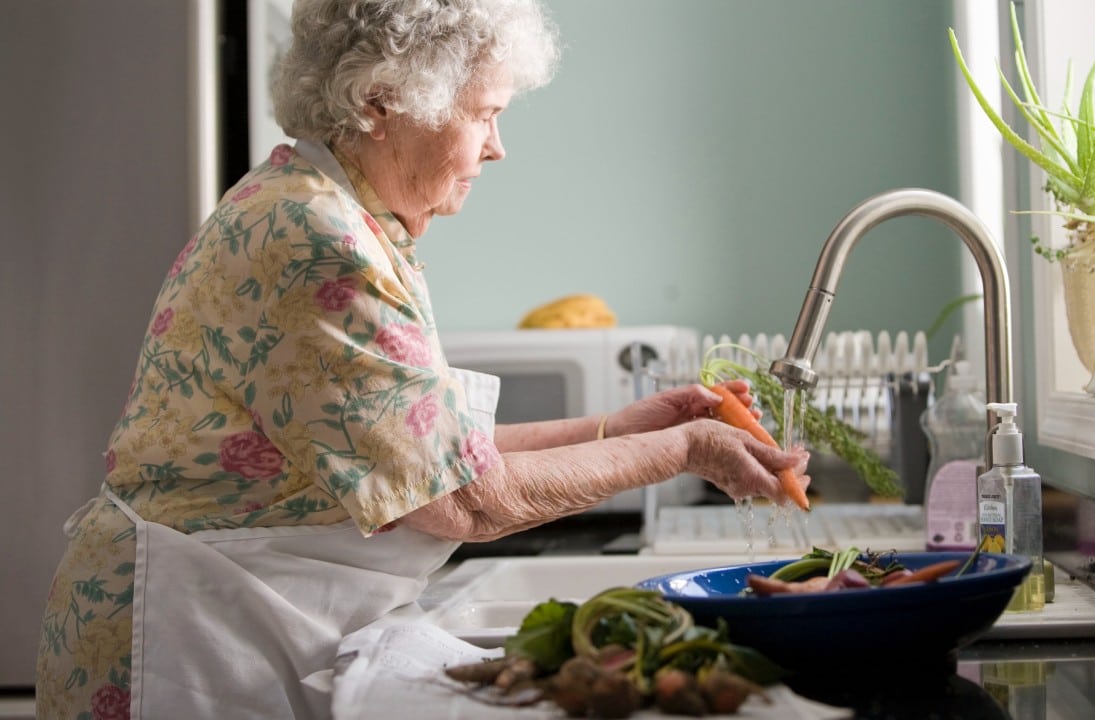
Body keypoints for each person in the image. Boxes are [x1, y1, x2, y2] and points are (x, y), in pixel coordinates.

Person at [35, 0, 809, 717]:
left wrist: (619, 426)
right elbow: (465, 500)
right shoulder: (319, 243)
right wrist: (683, 447)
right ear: (381, 102)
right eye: (486, 114)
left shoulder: (327, 212)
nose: (498, 147)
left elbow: (422, 454)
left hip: (233, 614)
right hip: (189, 640)